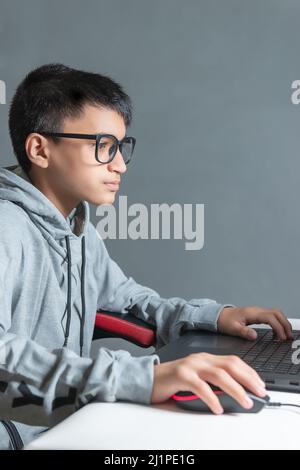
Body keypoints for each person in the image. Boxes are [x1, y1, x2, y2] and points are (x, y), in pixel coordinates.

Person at [0, 63, 293, 449]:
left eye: (121, 148)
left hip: (66, 425)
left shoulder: (77, 230)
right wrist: (143, 379)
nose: (119, 164)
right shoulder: (8, 227)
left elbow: (131, 301)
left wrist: (216, 317)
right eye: (103, 147)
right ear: (40, 149)